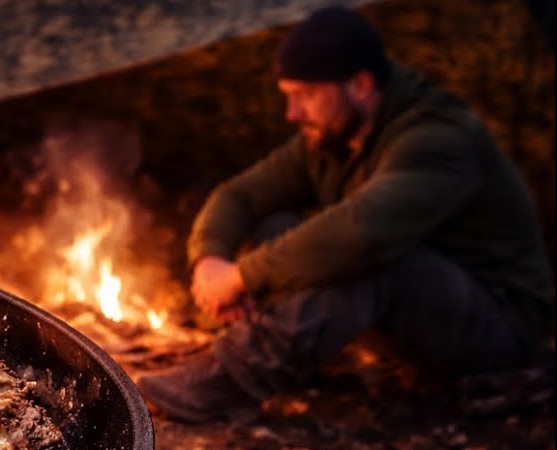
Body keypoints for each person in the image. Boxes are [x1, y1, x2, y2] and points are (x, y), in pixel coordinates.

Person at [137, 5, 554, 422]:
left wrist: (242, 276)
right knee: (275, 226)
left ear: (360, 84)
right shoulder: (335, 136)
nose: (292, 113)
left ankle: (235, 376)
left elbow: (362, 233)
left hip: (496, 329)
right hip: (417, 317)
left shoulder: (437, 138)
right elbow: (240, 196)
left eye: (305, 95)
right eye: (288, 96)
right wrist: (210, 259)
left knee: (360, 259)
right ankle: (289, 351)